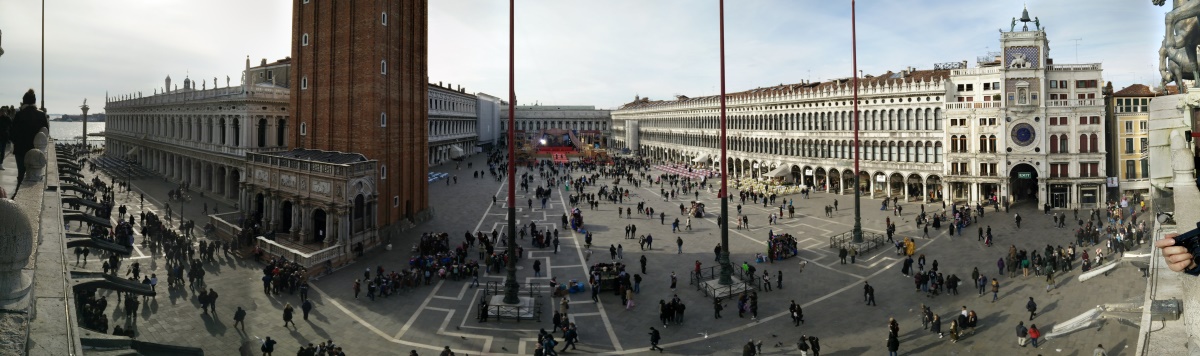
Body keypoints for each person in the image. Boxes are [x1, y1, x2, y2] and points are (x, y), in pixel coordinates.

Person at [9, 90, 49, 195]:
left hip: (20, 151)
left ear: (23, 102)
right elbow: (46, 132)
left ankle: (17, 195)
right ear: (34, 101)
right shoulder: (41, 115)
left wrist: (17, 142)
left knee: (21, 175)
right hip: (36, 151)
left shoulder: (19, 115)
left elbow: (12, 133)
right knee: (34, 178)